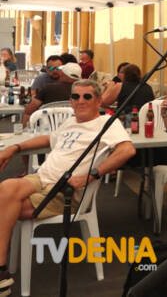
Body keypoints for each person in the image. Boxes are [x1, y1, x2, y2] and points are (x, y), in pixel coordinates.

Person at [0, 79, 135, 296]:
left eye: (87, 96)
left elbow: (127, 150)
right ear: (70, 101)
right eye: (75, 96)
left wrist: (91, 176)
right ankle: (1, 270)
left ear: (98, 101)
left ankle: (1, 271)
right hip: (41, 178)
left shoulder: (107, 123)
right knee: (6, 187)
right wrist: (15, 147)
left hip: (65, 191)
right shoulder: (71, 122)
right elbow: (48, 139)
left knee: (6, 206)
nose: (80, 101)